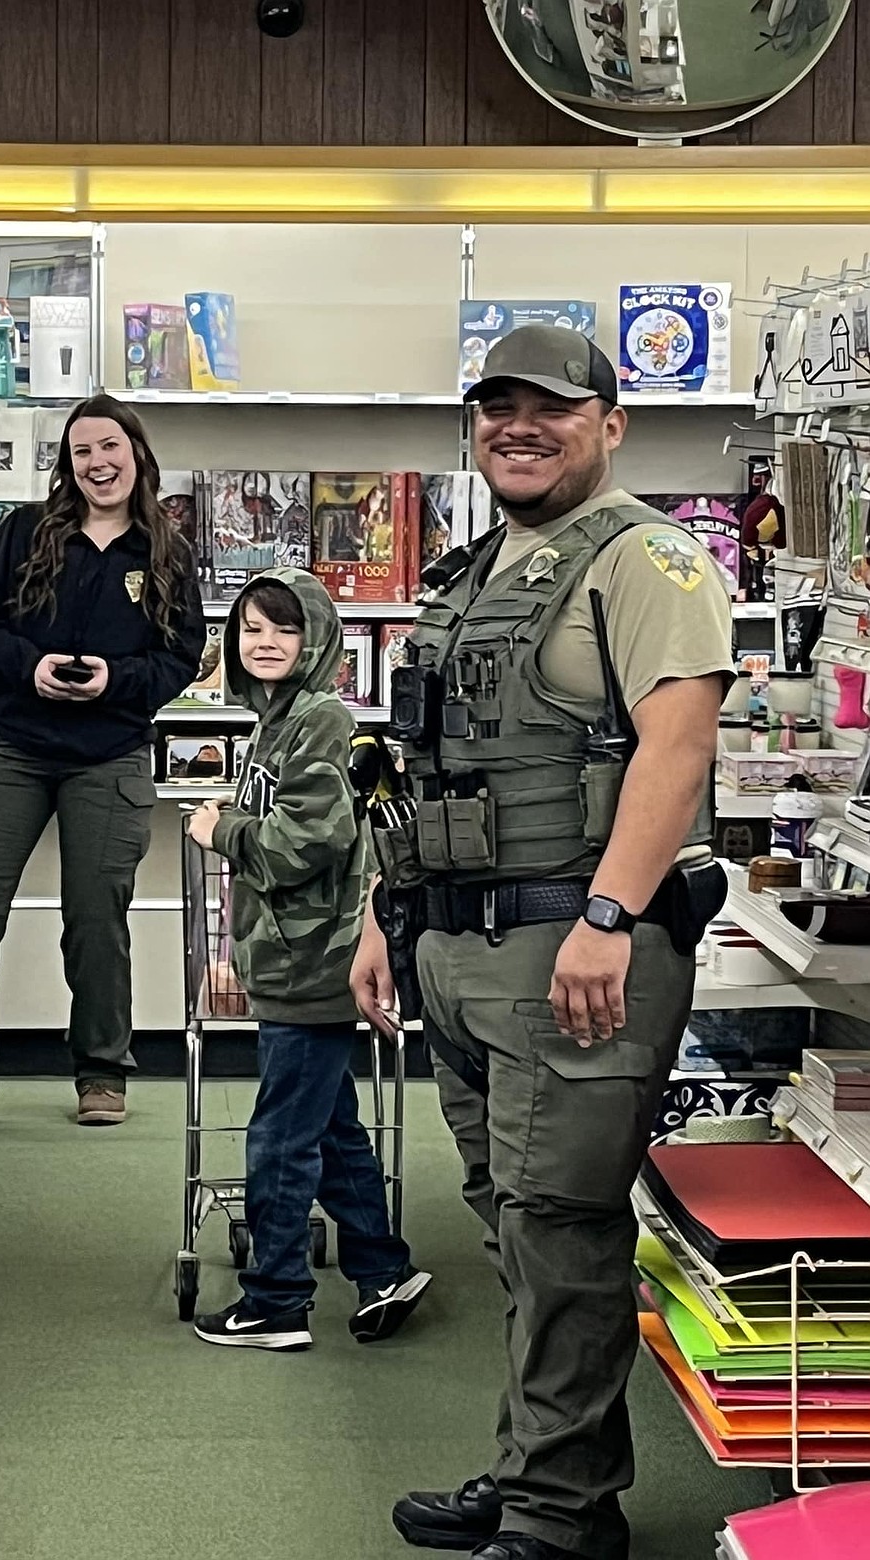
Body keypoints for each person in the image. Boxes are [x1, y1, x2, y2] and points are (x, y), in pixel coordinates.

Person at [351, 326, 733, 1560]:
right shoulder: (475, 573)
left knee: (563, 1229)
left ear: (611, 425)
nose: (519, 427)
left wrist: (611, 916)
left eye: (552, 409)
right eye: (497, 407)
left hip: (574, 950)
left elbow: (677, 752)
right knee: (519, 1231)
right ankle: (539, 1477)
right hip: (458, 952)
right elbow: (424, 769)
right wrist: (382, 915)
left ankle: (559, 1520)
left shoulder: (647, 562)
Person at [0, 395, 206, 1135]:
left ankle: (102, 1072)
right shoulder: (25, 532)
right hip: (12, 746)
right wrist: (29, 666)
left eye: (109, 447)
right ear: (67, 464)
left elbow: (178, 658)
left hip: (109, 756)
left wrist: (118, 681)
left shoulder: (169, 553)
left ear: (136, 453)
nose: (97, 463)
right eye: (82, 452)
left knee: (95, 919)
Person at [187, 570, 431, 1351]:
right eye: (252, 627)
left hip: (311, 955)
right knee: (327, 1126)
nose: (265, 643)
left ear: (317, 640)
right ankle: (381, 1266)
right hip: (295, 949)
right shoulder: (278, 719)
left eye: (284, 630)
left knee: (280, 1137)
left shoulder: (318, 717)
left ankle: (278, 1298)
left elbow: (309, 841)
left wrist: (218, 831)